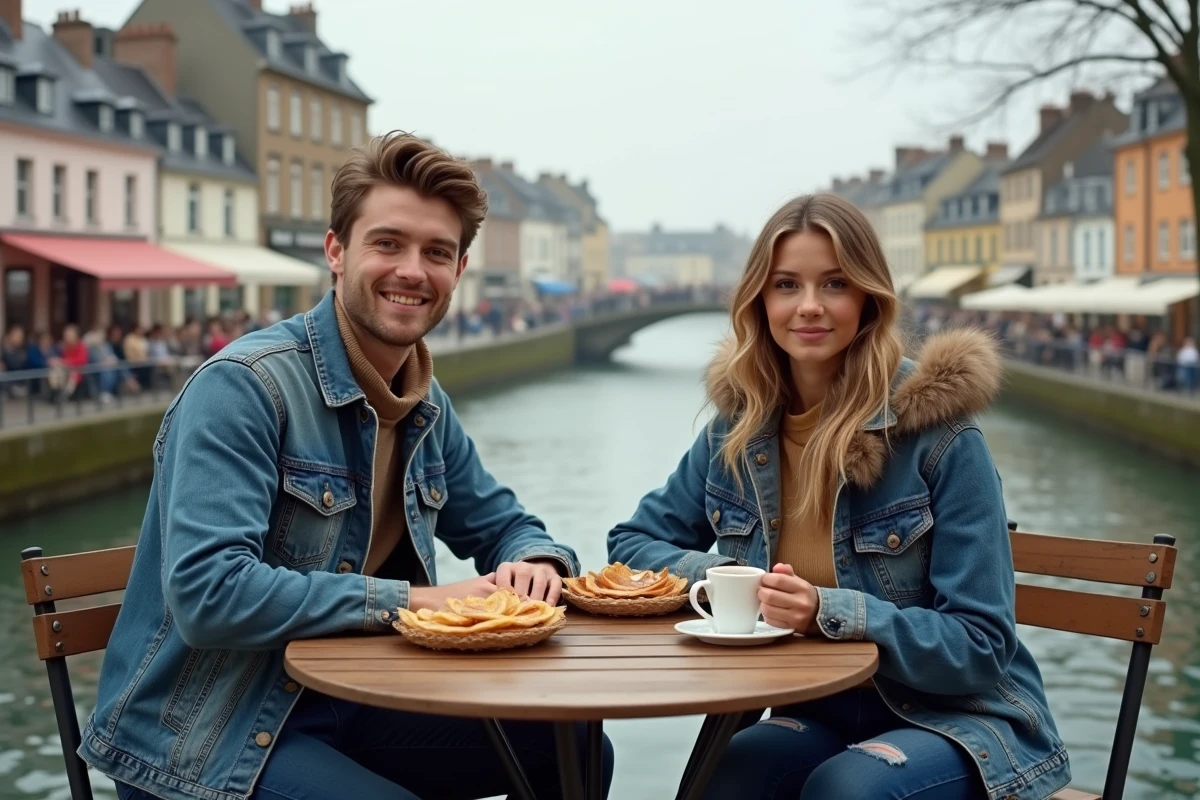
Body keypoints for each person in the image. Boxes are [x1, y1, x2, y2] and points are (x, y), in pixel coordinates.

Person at [81, 131, 614, 800]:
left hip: (350, 698)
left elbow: (502, 522)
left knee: (574, 745)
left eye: (436, 252)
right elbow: (208, 595)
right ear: (336, 251)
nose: (412, 271)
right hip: (202, 733)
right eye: (387, 243)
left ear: (459, 268)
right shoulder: (245, 387)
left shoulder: (424, 402)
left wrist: (535, 560)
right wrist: (414, 602)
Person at [607, 194, 1070, 799]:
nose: (809, 306)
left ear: (868, 299)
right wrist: (730, 580)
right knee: (726, 774)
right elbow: (632, 544)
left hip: (957, 719)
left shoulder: (940, 436)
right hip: (817, 708)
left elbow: (981, 645)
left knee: (847, 788)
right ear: (759, 301)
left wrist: (829, 610)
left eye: (834, 283)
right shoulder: (738, 429)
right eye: (786, 285)